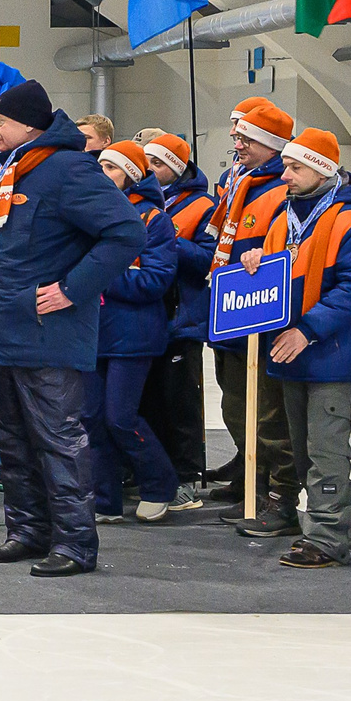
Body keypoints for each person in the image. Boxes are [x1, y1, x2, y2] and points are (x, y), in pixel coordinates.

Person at [0, 79, 146, 578]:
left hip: (47, 332)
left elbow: (126, 232)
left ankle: (74, 543)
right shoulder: (11, 171)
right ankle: (28, 530)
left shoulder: (67, 169)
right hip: (4, 329)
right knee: (14, 440)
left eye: (0, 122)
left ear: (29, 125)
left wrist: (72, 288)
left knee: (58, 441)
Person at [249, 129, 351, 569]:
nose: (284, 174)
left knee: (326, 450)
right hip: (290, 351)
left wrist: (307, 330)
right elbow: (280, 270)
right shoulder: (286, 215)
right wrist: (254, 262)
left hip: (328, 352)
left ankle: (328, 536)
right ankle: (318, 523)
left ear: (322, 170)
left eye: (295, 167)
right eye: (285, 165)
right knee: (304, 449)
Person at [210, 98, 297, 513]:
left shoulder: (283, 188)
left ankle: (274, 492)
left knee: (267, 414)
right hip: (230, 310)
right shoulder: (238, 181)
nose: (237, 143)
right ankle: (251, 480)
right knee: (235, 407)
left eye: (247, 138)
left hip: (262, 314)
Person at [86, 142, 180, 524]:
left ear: (132, 175)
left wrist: (98, 276)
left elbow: (156, 279)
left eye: (111, 167)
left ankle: (160, 485)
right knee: (92, 419)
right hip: (92, 333)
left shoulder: (154, 219)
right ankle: (105, 499)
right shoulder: (89, 215)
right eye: (100, 166)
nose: (102, 173)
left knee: (120, 418)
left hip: (133, 334)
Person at [141, 132, 212, 492]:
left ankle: (188, 474)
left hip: (183, 317)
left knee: (181, 403)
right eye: (146, 162)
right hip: (146, 317)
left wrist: (168, 239)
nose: (149, 169)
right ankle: (154, 472)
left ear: (178, 167)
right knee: (149, 401)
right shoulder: (138, 202)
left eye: (157, 163)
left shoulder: (203, 206)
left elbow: (209, 259)